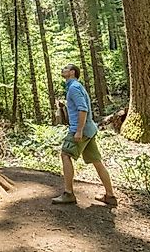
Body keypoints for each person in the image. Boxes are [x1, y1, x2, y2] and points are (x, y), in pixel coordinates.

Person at [51, 64, 117, 206]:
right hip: (89, 129)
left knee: (65, 154)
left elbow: (83, 109)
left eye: (65, 68)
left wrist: (79, 130)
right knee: (96, 161)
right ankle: (110, 196)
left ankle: (68, 193)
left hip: (80, 129)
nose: (62, 70)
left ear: (72, 72)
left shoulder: (74, 88)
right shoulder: (74, 86)